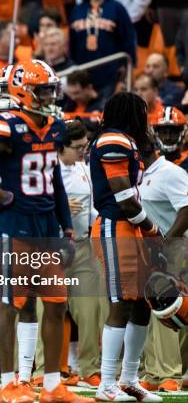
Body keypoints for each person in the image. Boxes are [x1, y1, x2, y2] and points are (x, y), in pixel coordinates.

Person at [0, 60, 92, 403]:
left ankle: (50, 386)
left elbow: (55, 185)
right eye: (43, 90)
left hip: (47, 225)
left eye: (51, 89)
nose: (49, 95)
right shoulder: (5, 126)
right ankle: (8, 383)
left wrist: (66, 226)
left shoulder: (54, 126)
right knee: (9, 303)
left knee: (56, 303)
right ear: (23, 91)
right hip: (14, 225)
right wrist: (5, 196)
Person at [89, 92, 164, 402]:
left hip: (129, 227)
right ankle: (106, 383)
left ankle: (129, 378)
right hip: (114, 224)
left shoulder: (124, 140)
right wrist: (151, 227)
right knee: (121, 301)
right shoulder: (112, 140)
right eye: (142, 112)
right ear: (131, 113)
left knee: (141, 304)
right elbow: (122, 196)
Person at [56, 119, 107, 390]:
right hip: (49, 246)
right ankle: (44, 369)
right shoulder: (45, 169)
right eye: (76, 147)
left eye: (84, 146)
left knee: (90, 310)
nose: (82, 152)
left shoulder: (84, 169)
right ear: (60, 146)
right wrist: (60, 209)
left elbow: (93, 208)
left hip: (83, 244)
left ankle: (89, 368)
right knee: (49, 311)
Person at [139, 120, 188, 393]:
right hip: (150, 249)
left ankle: (170, 372)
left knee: (168, 309)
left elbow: (187, 208)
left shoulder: (170, 172)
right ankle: (155, 371)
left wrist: (168, 241)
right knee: (150, 313)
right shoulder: (139, 174)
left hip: (175, 248)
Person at [69, 0, 136, 100]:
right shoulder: (77, 10)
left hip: (110, 74)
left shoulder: (117, 8)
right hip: (82, 75)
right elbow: (72, 44)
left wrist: (124, 75)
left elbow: (128, 41)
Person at [151, 106, 188, 172]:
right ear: (155, 133)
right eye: (163, 132)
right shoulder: (149, 161)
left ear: (183, 133)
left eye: (173, 132)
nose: (168, 137)